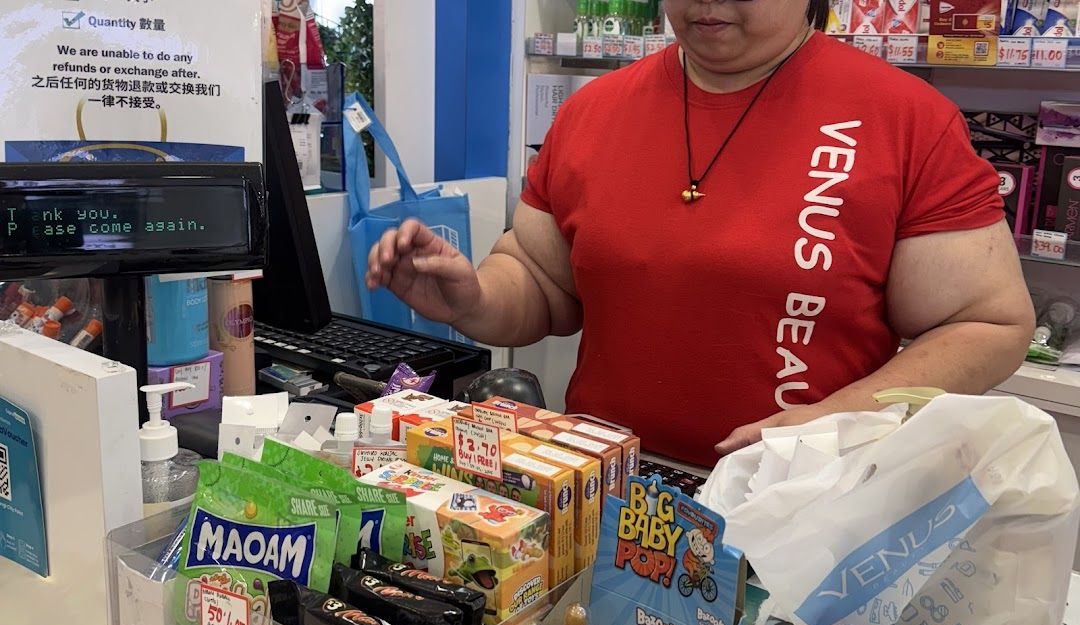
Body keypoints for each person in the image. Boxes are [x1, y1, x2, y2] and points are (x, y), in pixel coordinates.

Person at [365, 0, 1034, 469]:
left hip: (801, 501)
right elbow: (543, 283)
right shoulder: (592, 112)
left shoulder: (905, 120)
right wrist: (472, 299)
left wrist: (839, 420)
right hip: (603, 491)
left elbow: (986, 324)